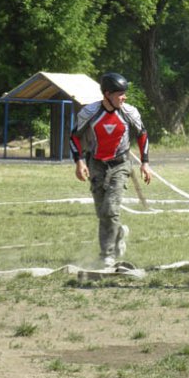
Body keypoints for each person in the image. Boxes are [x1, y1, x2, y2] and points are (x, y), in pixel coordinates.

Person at [69, 72, 151, 267]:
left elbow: (142, 135)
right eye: (120, 94)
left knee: (110, 209)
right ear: (107, 94)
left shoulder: (129, 112)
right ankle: (118, 233)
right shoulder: (89, 112)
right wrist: (79, 162)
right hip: (96, 165)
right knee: (102, 212)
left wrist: (145, 163)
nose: (125, 97)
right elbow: (74, 137)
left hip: (121, 164)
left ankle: (108, 254)